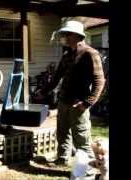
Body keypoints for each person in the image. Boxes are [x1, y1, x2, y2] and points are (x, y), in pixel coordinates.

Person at [39, 20, 106, 167]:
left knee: (81, 137)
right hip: (63, 101)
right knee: (62, 133)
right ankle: (62, 159)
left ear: (76, 35)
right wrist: (42, 92)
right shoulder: (67, 54)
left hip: (78, 104)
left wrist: (87, 102)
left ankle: (86, 169)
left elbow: (100, 81)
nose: (64, 37)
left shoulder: (90, 53)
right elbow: (56, 78)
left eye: (67, 34)